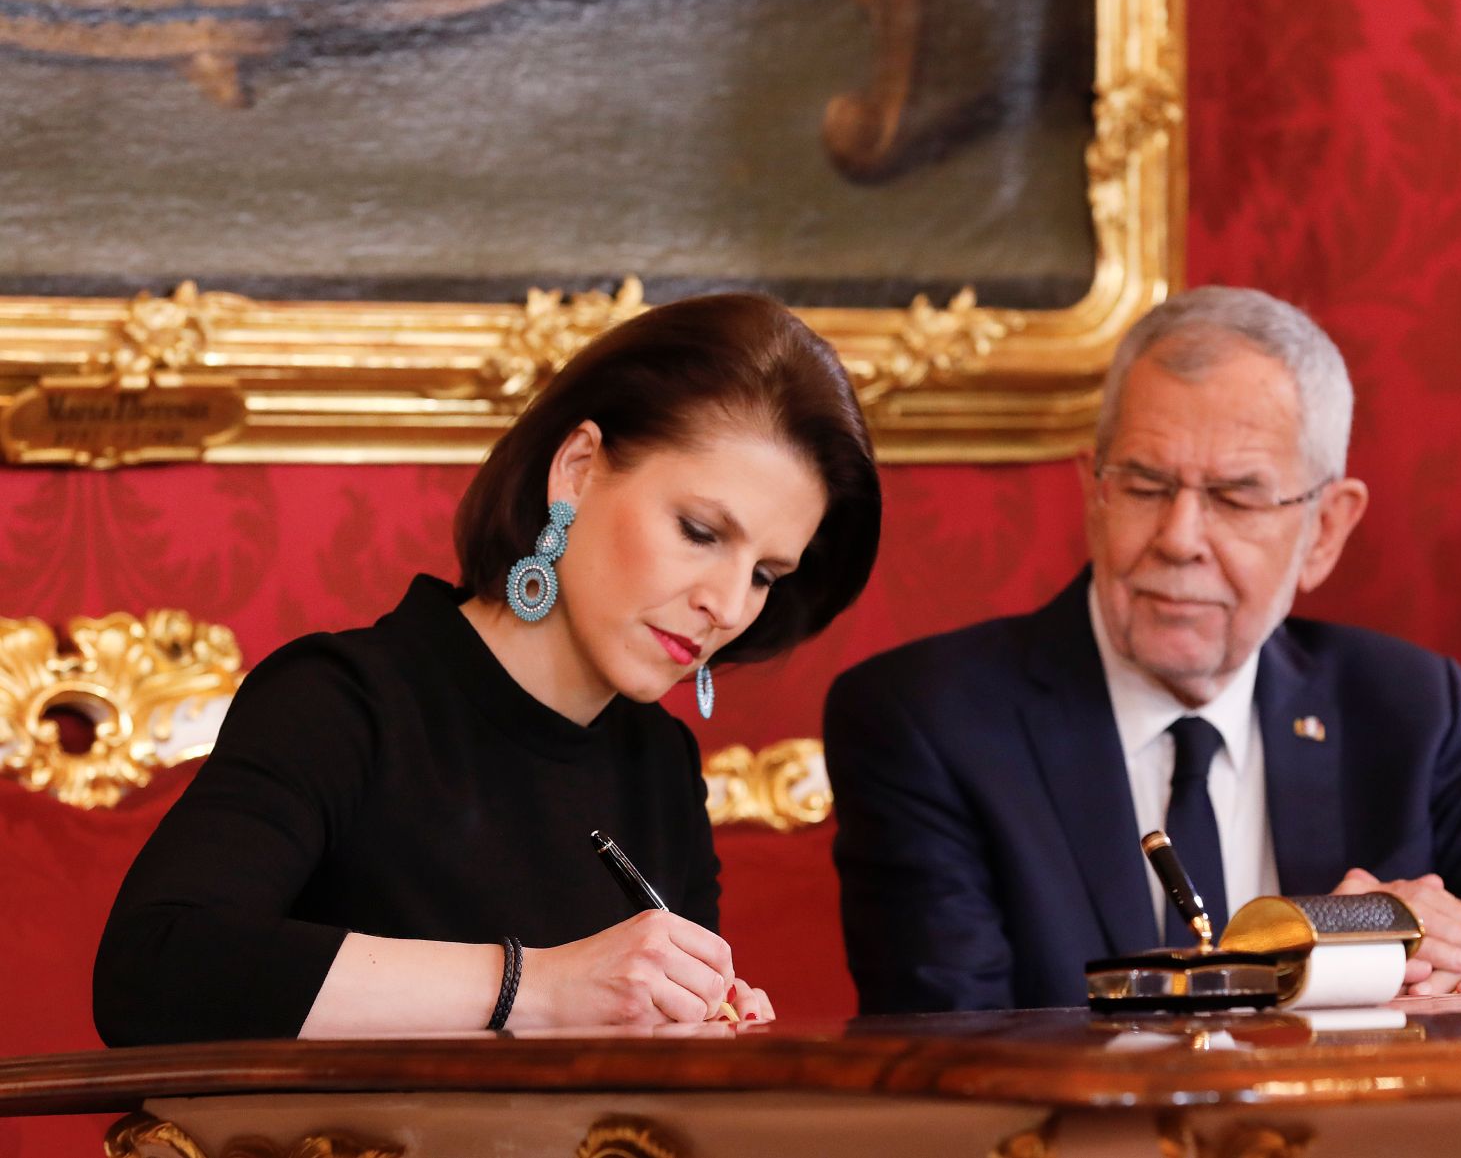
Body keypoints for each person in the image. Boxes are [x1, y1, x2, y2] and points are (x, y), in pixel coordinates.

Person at [824, 286, 1461, 1014]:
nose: (1178, 537)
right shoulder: (931, 720)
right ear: (1092, 492)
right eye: (1144, 483)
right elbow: (956, 1059)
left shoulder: (1398, 707)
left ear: (1326, 529)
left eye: (1237, 498)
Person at [94, 293, 881, 1044]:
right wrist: (535, 988)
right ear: (577, 469)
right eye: (701, 531)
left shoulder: (660, 764)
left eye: (765, 574)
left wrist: (693, 1021)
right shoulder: (341, 702)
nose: (729, 604)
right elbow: (155, 968)